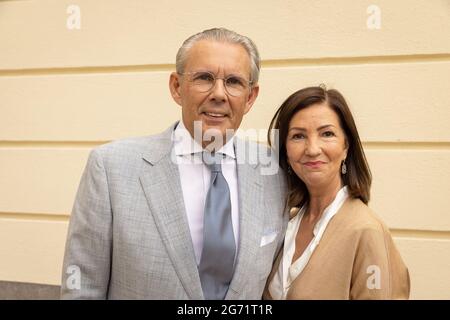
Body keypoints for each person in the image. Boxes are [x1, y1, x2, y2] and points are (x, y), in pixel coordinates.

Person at [60, 28, 288, 299]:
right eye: (204, 78)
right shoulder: (111, 168)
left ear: (250, 97)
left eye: (234, 82)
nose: (219, 93)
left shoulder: (275, 174)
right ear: (177, 87)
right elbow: (82, 285)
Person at [263, 86, 410, 299]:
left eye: (327, 134)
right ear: (285, 150)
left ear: (346, 146)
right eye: (298, 136)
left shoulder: (367, 231)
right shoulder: (287, 223)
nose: (312, 149)